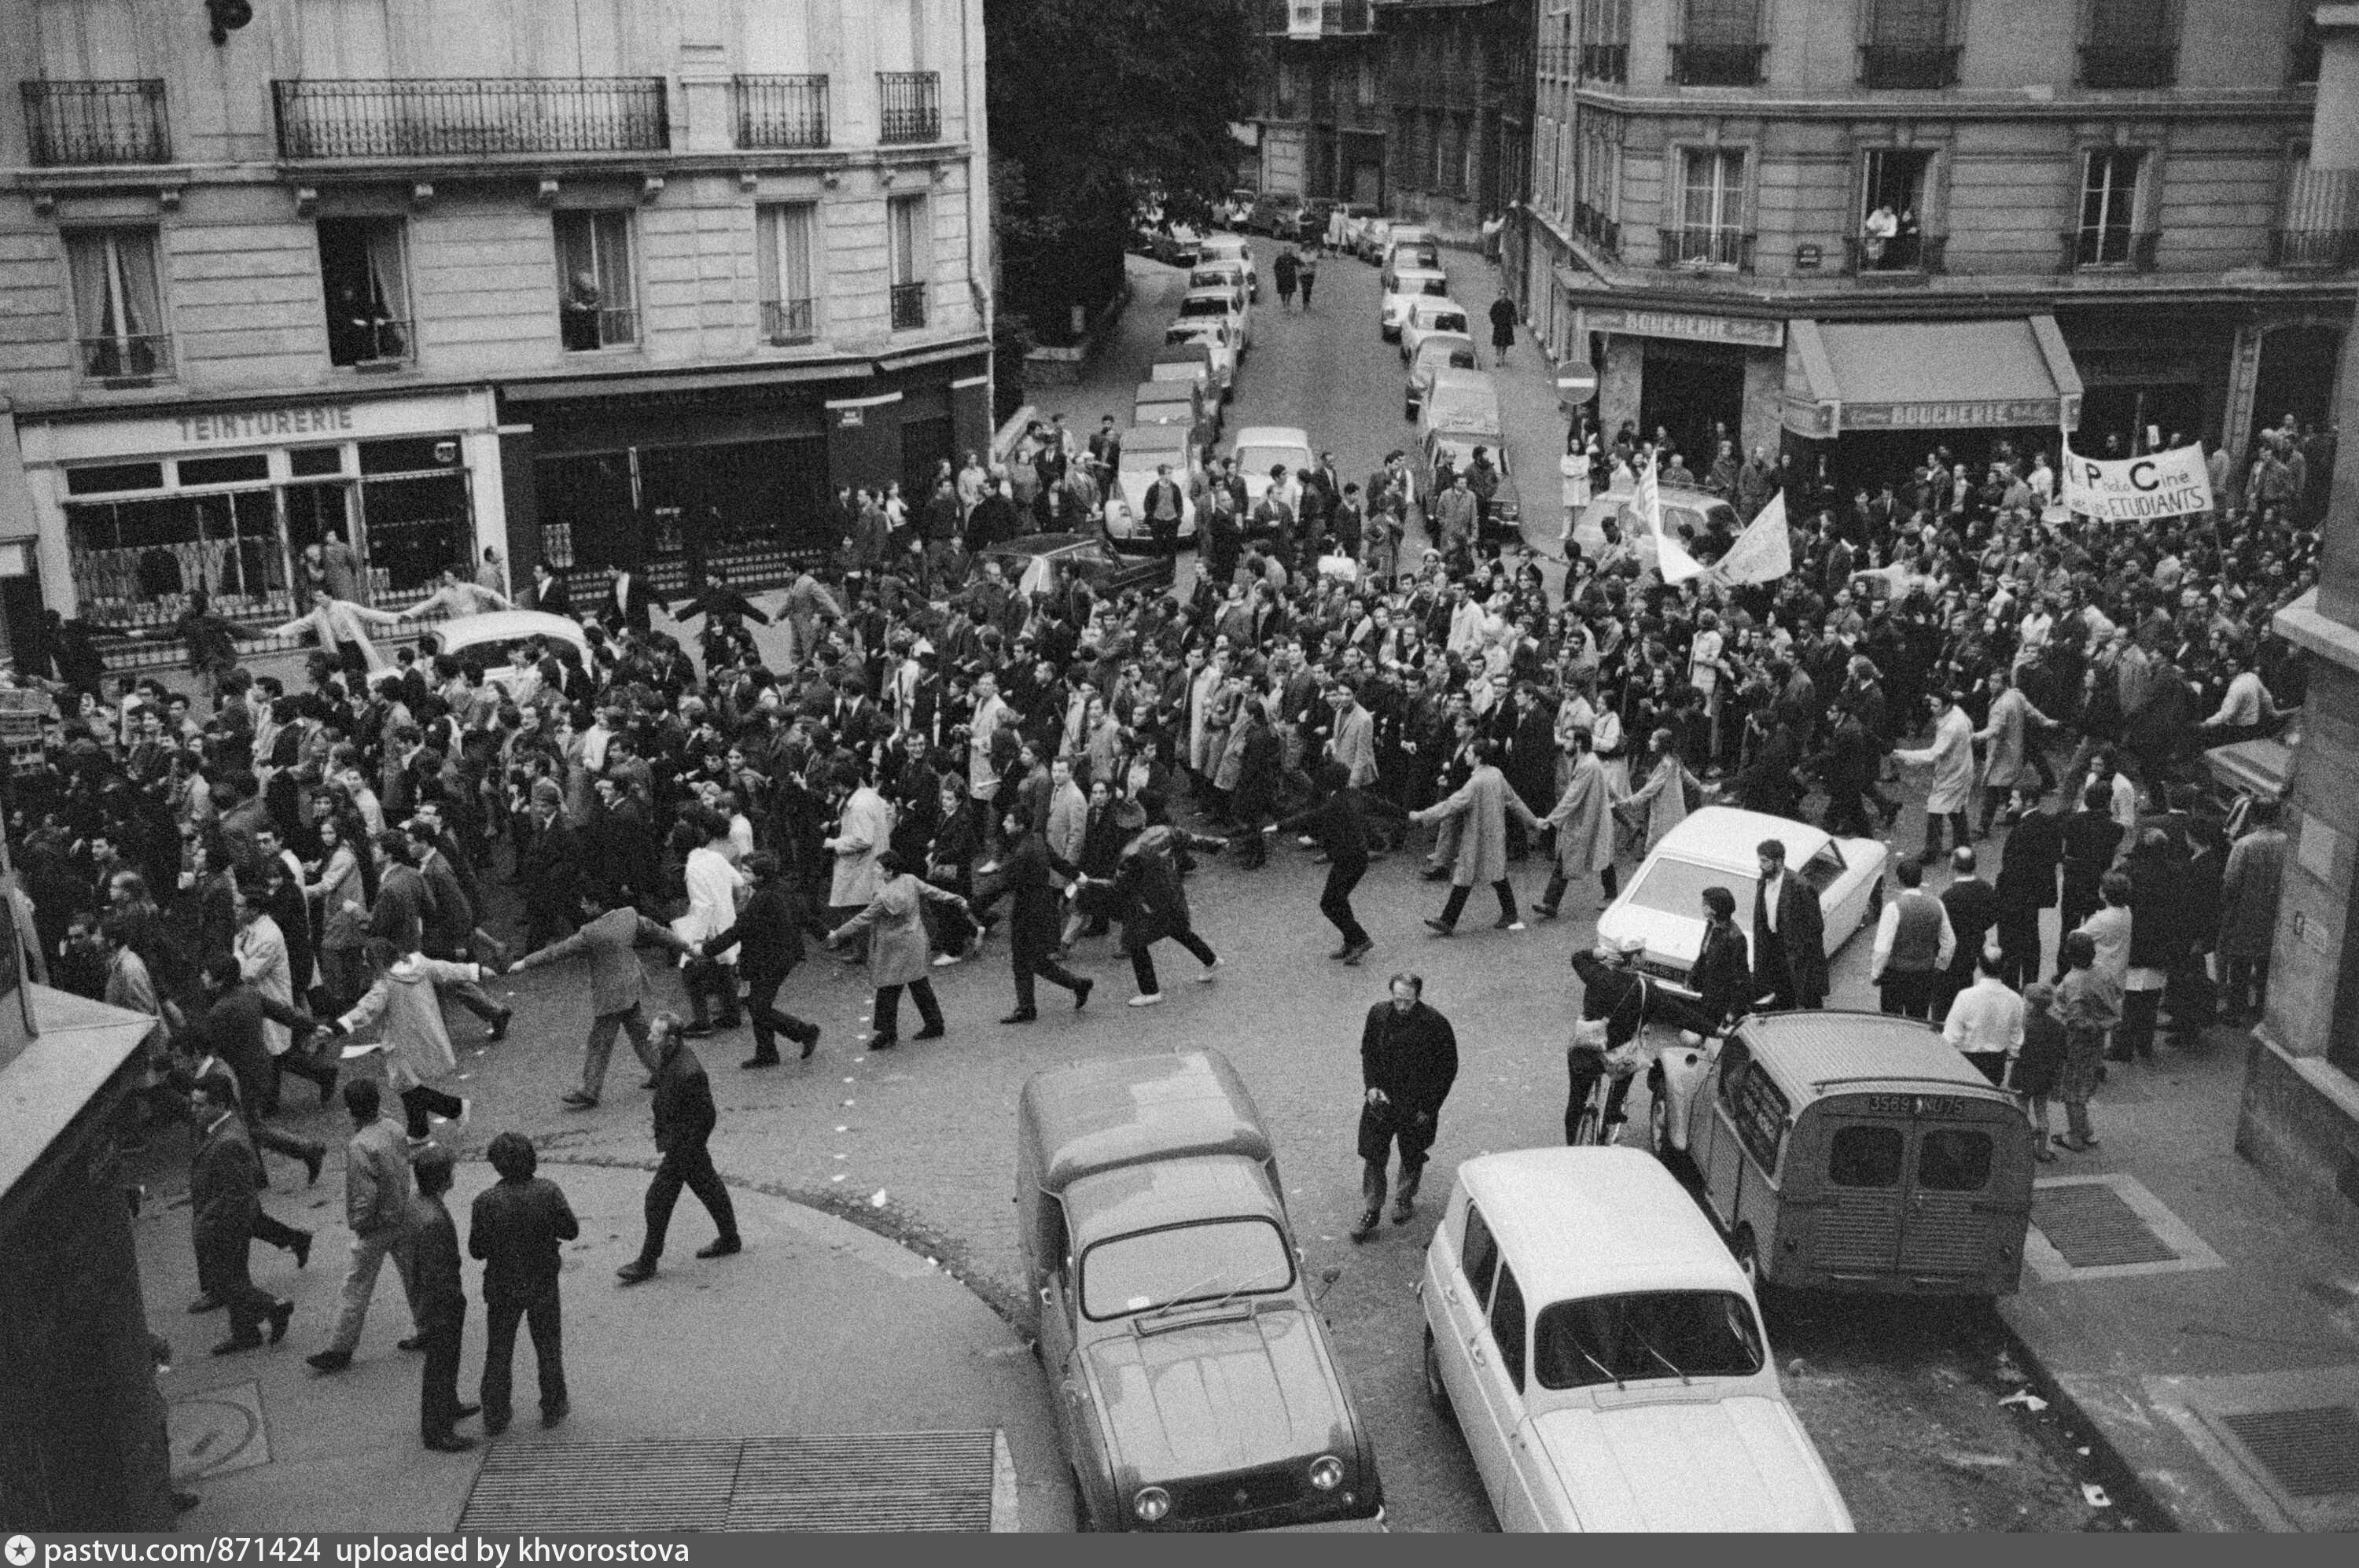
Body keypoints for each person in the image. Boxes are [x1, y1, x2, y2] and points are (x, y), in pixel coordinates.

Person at [508, 889, 697, 1108]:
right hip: (631, 985)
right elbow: (658, 932)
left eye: (585, 903)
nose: (582, 907)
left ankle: (590, 1090)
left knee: (600, 1042)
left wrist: (526, 962)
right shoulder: (629, 915)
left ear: (597, 905)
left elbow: (557, 951)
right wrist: (685, 945)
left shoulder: (590, 933)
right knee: (640, 1033)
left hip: (610, 996)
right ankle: (662, 1072)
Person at [305, 1077, 423, 1374]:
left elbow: (363, 1195)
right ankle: (428, 1327)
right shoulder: (394, 1128)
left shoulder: (360, 1145)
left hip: (376, 1225)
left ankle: (340, 1347)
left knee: (357, 1286)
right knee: (414, 1276)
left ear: (350, 1110)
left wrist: (360, 1223)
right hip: (402, 1212)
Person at [616, 1014, 742, 1284]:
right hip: (685, 1144)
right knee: (709, 1189)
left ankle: (648, 1261)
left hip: (683, 1146)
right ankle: (730, 1238)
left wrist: (686, 1150)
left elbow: (707, 1116)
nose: (650, 1038)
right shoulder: (674, 1057)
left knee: (657, 1199)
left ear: (670, 1040)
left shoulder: (688, 1072)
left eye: (655, 1035)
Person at [470, 1131, 579, 1434]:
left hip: (502, 1284)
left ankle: (495, 1413)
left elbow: (477, 1250)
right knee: (548, 1346)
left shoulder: (486, 1201)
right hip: (542, 1279)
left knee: (499, 1350)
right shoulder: (548, 1192)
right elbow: (571, 1230)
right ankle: (553, 1405)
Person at [187, 1070, 295, 1356]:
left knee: (228, 1283)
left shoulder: (227, 1142)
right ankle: (245, 1332)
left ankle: (275, 1307)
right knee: (236, 1279)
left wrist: (210, 1224)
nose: (194, 1110)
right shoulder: (225, 1129)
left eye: (200, 1105)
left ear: (220, 1104)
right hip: (228, 1219)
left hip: (227, 1224)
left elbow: (235, 1195)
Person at [1352, 973, 1459, 1241]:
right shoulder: (1378, 1014)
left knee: (1412, 1152)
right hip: (1382, 1099)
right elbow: (1369, 1053)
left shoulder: (1435, 1024)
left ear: (1417, 997)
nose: (1402, 1006)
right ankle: (1372, 1208)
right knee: (1373, 1154)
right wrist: (1371, 1087)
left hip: (1416, 1102)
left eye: (1407, 1001)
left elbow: (1447, 1070)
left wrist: (1430, 1107)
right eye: (1397, 999)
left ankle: (1404, 1198)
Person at [828, 851, 966, 1047]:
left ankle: (887, 1033)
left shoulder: (884, 897)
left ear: (889, 872)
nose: (875, 870)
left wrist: (838, 934)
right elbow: (934, 892)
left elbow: (862, 919)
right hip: (915, 941)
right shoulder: (910, 880)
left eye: (878, 867)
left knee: (888, 988)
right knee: (919, 984)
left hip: (893, 948)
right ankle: (934, 1024)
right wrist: (957, 899)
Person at [698, 853, 826, 1067]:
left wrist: (706, 950)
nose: (742, 874)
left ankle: (804, 1032)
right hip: (779, 957)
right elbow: (804, 916)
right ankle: (767, 1052)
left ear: (760, 875)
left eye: (747, 871)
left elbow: (739, 930)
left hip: (769, 960)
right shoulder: (781, 889)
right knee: (758, 1003)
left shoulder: (762, 898)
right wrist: (825, 934)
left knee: (758, 1007)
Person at [1275, 759, 1407, 965]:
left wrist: (1279, 827)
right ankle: (1350, 941)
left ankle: (1360, 939)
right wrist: (1408, 815)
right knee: (1339, 900)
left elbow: (1310, 817)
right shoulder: (1356, 795)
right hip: (1356, 857)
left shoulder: (1334, 803)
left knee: (1329, 903)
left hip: (1347, 859)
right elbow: (1382, 806)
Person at [1411, 738, 1542, 937]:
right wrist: (1533, 821)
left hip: (1477, 836)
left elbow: (1451, 805)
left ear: (1478, 758)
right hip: (1495, 834)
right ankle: (1508, 914)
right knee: (1496, 875)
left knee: (1465, 876)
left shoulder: (1475, 782)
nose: (1465, 755)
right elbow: (1514, 801)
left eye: (1469, 753)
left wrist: (1422, 816)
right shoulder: (1497, 774)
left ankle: (1448, 920)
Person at [970, 813, 1092, 1022]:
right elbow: (1057, 862)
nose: (1004, 824)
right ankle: (1076, 985)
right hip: (1043, 908)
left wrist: (972, 904)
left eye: (1009, 821)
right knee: (1036, 960)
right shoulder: (1037, 840)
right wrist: (1076, 875)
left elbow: (1002, 883)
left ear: (1020, 825)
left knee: (1022, 959)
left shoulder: (1022, 852)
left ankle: (1028, 1007)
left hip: (1028, 910)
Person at [407, 1146, 480, 1452]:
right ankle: (437, 1430)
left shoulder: (418, 1204)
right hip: (441, 1302)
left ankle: (448, 1406)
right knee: (441, 1363)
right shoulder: (433, 1220)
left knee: (445, 1361)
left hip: (431, 1298)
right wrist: (453, 1302)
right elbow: (438, 1274)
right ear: (442, 1178)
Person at [1533, 728, 1619, 919]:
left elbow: (1572, 797)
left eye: (1568, 739)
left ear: (1579, 743)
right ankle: (1551, 903)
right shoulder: (1588, 761)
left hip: (1588, 818)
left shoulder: (1586, 765)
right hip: (1591, 816)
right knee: (1599, 854)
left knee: (1577, 855)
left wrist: (1551, 820)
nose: (1564, 742)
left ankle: (1551, 903)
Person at [2053, 931, 2120, 1154]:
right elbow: (2117, 994)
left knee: (2072, 1090)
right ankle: (2087, 1130)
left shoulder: (2073, 981)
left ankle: (2075, 1136)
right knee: (2085, 1082)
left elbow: (2072, 1017)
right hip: (2099, 1037)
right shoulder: (2103, 971)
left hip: (2077, 1041)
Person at [1895, 690, 1977, 865]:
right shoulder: (1957, 712)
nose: (1931, 709)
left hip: (1954, 771)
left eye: (1935, 705)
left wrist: (1905, 755)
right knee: (1956, 808)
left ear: (1947, 705)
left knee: (1936, 808)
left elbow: (1933, 754)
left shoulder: (1951, 727)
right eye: (1931, 704)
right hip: (1960, 767)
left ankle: (1932, 852)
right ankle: (1963, 845)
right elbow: (1970, 727)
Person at [1870, 859, 1955, 1021]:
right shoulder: (1937, 904)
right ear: (1920, 879)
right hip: (1923, 974)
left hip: (1895, 975)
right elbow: (1949, 942)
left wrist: (1876, 973)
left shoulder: (1893, 908)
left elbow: (1883, 949)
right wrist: (1940, 966)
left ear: (1900, 880)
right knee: (1918, 1021)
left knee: (1892, 1021)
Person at [1751, 837, 1827, 1010]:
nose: (1761, 865)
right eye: (1760, 860)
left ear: (1778, 861)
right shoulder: (1763, 882)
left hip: (1799, 951)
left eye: (1765, 861)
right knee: (1783, 994)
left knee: (1809, 998)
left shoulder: (1800, 886)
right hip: (1774, 947)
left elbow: (1816, 926)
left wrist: (1800, 948)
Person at [1941, 946, 2025, 1087]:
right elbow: (2015, 1037)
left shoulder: (1966, 996)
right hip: (1996, 1062)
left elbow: (1951, 1037)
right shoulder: (2015, 999)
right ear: (2004, 967)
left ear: (1979, 965)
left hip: (1967, 1060)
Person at [1936, 846, 2001, 1021]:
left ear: (1953, 865)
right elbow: (1993, 915)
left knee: (1946, 996)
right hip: (1974, 945)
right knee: (1966, 982)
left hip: (1953, 951)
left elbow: (1942, 928)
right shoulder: (1986, 888)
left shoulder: (1949, 896)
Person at [2016, 982, 2067, 1161]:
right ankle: (2042, 1149)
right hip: (2045, 1075)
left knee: (2021, 1110)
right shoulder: (2057, 1026)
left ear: (2031, 1004)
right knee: (2041, 1110)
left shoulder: (2023, 1024)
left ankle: (2020, 1146)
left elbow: (2015, 1047)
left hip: (2023, 1072)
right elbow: (2062, 1054)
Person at [1690, 885, 1753, 1029]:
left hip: (1722, 998)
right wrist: (1693, 976)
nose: (1702, 906)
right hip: (1709, 992)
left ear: (1714, 909)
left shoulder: (1735, 938)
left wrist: (1734, 1009)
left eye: (1705, 903)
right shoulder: (1712, 926)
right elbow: (1704, 955)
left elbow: (1741, 976)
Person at [1487, 293, 1516, 368]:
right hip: (1499, 326)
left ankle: (1503, 357)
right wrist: (1494, 321)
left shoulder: (1510, 303)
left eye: (1504, 295)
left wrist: (1514, 321)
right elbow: (1491, 313)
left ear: (1506, 295)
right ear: (1499, 295)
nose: (1503, 296)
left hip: (1507, 326)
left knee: (1505, 344)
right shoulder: (1496, 304)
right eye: (1501, 295)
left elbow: (1514, 313)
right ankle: (1497, 359)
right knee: (1498, 343)